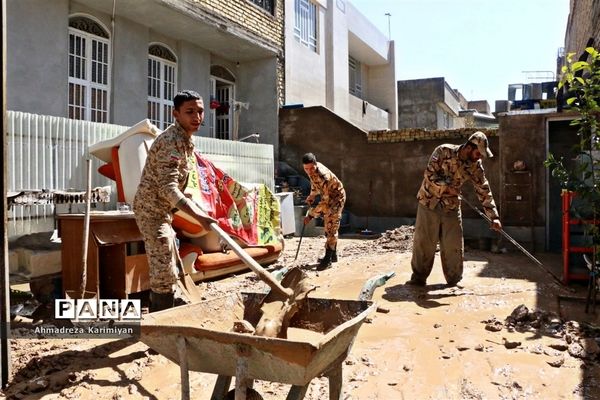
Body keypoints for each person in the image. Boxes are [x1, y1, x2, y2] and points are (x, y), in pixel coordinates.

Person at [133, 90, 216, 312]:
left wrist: (188, 198)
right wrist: (199, 217)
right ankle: (160, 321)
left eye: (200, 111)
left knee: (171, 259)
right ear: (175, 114)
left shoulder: (186, 140)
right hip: (151, 210)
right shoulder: (171, 141)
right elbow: (167, 187)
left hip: (164, 209)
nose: (196, 117)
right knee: (162, 268)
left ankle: (170, 302)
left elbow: (176, 181)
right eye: (189, 112)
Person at [408, 131, 502, 287]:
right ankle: (418, 278)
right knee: (424, 243)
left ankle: (454, 281)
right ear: (469, 147)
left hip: (450, 206)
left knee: (454, 245)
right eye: (478, 152)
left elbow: (483, 189)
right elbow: (429, 174)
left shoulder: (475, 166)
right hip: (429, 203)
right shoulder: (443, 151)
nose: (480, 157)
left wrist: (494, 217)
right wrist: (447, 187)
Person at [302, 153, 346, 270]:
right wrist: (312, 195)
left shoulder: (324, 177)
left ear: (316, 164)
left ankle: (328, 259)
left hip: (337, 198)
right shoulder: (311, 171)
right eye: (306, 169)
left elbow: (325, 204)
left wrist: (311, 215)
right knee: (328, 226)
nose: (309, 171)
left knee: (331, 227)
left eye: (312, 168)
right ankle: (333, 255)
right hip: (328, 197)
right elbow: (314, 184)